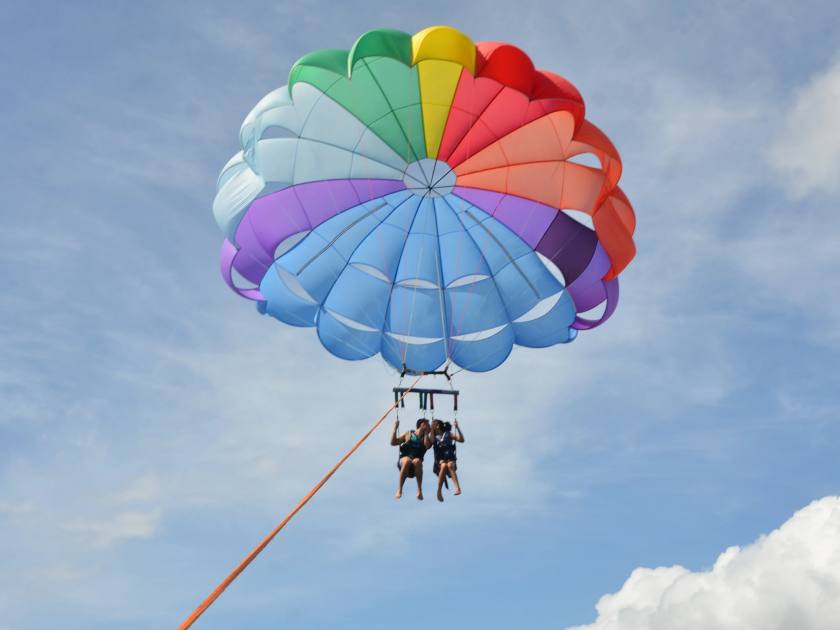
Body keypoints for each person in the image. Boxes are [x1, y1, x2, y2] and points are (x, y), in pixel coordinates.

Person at [390, 418, 432, 500]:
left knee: (417, 461)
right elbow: (393, 442)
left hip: (415, 468)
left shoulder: (426, 438)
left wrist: (426, 433)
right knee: (407, 461)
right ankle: (400, 489)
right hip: (404, 462)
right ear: (422, 424)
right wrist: (395, 428)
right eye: (428, 424)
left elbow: (427, 446)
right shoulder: (408, 434)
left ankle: (419, 490)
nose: (429, 427)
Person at [431, 419, 464, 502]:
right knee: (444, 465)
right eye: (434, 424)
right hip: (440, 460)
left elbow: (461, 440)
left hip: (450, 458)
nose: (436, 425)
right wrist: (431, 430)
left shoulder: (448, 434)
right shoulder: (433, 436)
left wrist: (457, 428)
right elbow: (431, 441)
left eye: (437, 424)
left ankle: (457, 488)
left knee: (449, 465)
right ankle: (439, 490)